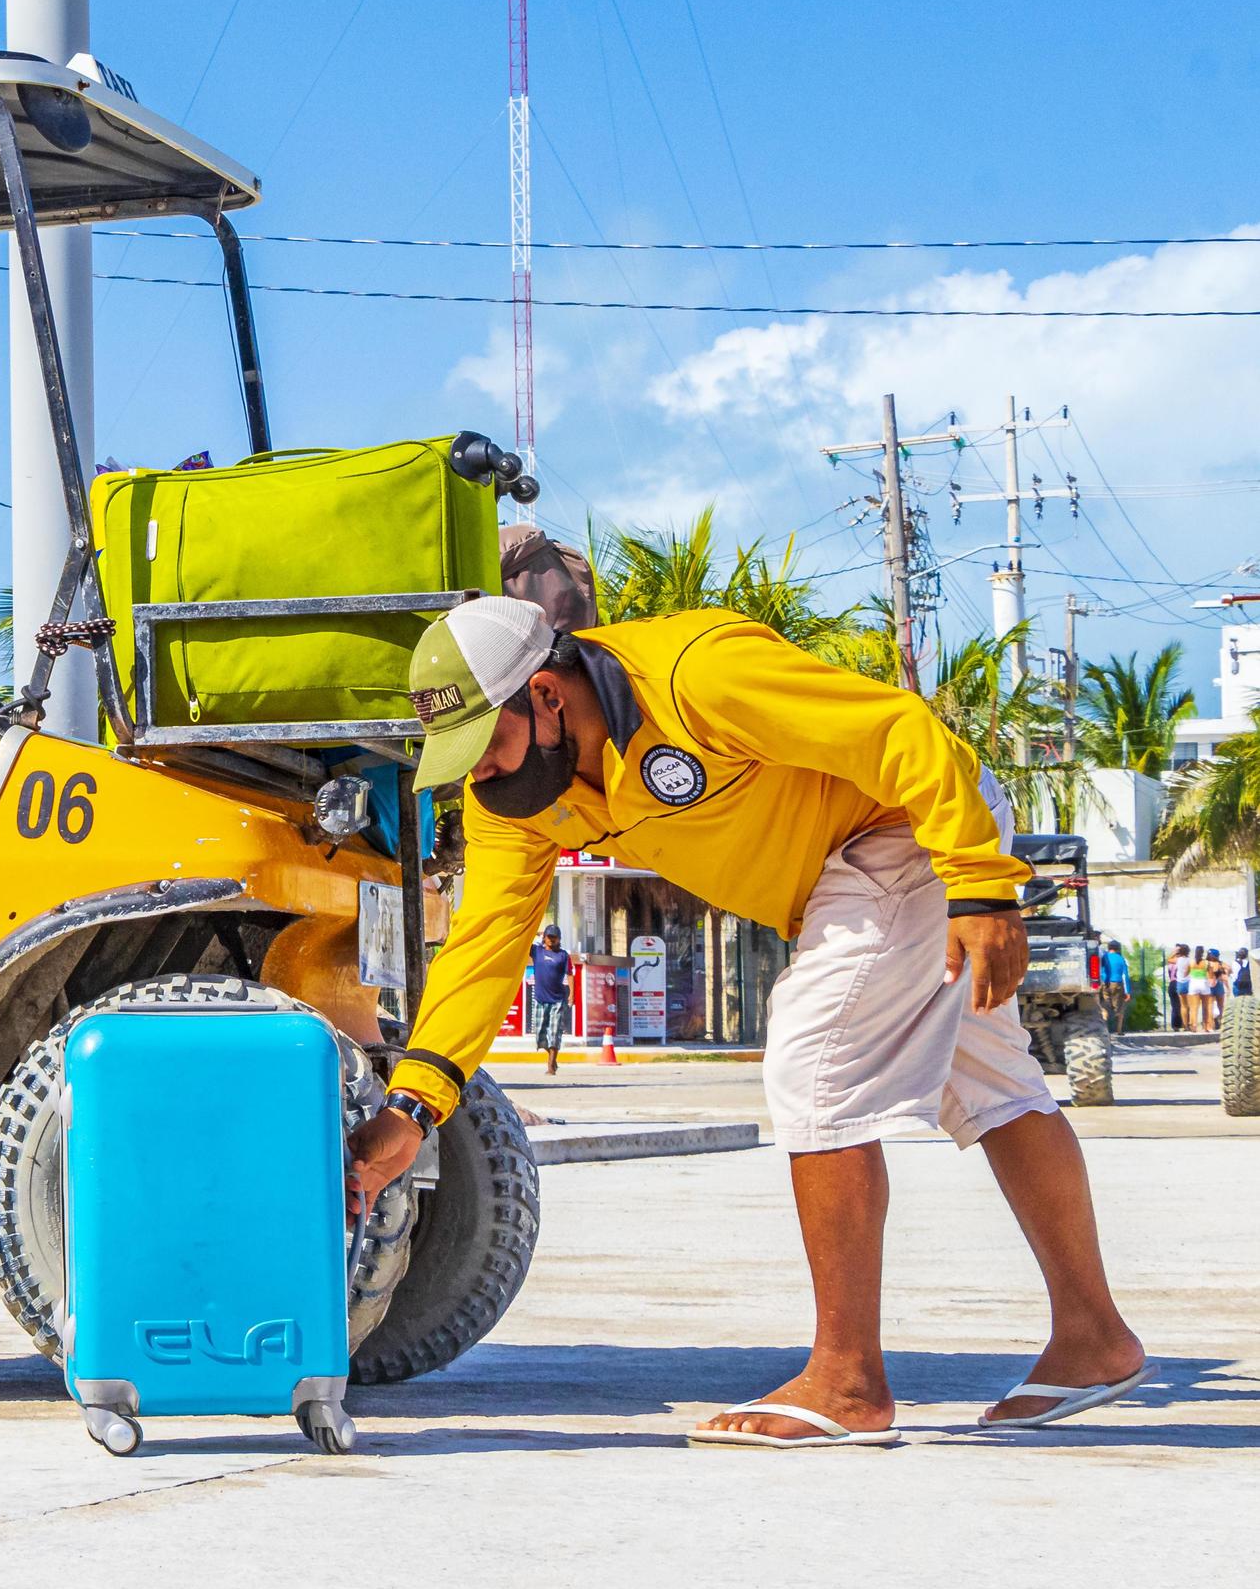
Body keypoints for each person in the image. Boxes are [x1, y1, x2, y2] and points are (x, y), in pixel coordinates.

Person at [354, 597, 1147, 1445]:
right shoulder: (519, 798)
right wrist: (412, 1110)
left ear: (546, 694)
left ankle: (848, 1382)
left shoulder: (698, 675)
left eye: (485, 745)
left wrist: (980, 884)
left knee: (814, 1064)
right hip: (841, 871)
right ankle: (1093, 1340)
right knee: (992, 1083)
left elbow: (898, 732)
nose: (479, 775)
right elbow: (483, 948)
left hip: (906, 822)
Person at [526, 923, 574, 1074]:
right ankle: (553, 1057)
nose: (552, 940)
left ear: (559, 939)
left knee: (554, 1033)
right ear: (544, 938)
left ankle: (551, 1065)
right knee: (540, 1035)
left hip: (557, 1000)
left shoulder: (563, 955)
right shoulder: (537, 951)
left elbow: (570, 974)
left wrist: (571, 994)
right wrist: (538, 932)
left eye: (555, 937)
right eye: (549, 937)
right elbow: (526, 938)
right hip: (540, 999)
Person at [1096, 938, 1130, 1035]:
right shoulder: (1121, 959)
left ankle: (1105, 1030)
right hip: (1117, 984)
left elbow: (1100, 970)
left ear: (1108, 948)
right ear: (1118, 948)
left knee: (1105, 1006)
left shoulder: (1104, 957)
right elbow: (1125, 975)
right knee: (1120, 1007)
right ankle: (1119, 1030)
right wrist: (1127, 991)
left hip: (1105, 983)